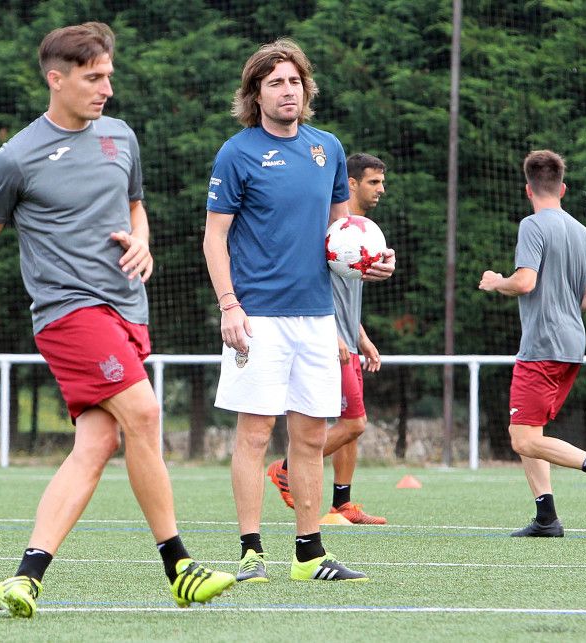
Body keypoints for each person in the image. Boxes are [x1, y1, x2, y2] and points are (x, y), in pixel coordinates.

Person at [0, 22, 234, 617]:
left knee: (98, 443)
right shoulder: (14, 158)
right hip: (69, 313)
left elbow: (135, 206)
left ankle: (26, 576)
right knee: (146, 412)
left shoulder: (120, 137)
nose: (106, 87)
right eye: (93, 77)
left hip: (128, 308)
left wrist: (142, 240)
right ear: (57, 80)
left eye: (108, 75)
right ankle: (178, 564)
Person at [203, 38, 395, 583]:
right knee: (256, 434)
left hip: (316, 318)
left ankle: (309, 554)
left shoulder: (328, 148)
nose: (287, 91)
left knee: (311, 436)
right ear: (255, 95)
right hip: (257, 316)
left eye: (294, 81)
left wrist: (371, 264)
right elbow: (214, 239)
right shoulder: (236, 153)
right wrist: (229, 306)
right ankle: (249, 554)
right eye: (275, 83)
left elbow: (345, 236)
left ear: (306, 88)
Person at [477, 149, 586, 537]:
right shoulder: (583, 232)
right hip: (571, 345)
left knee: (522, 437)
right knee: (530, 431)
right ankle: (546, 517)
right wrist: (564, 305)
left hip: (542, 346)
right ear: (562, 188)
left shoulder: (532, 225)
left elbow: (525, 282)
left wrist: (497, 282)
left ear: (528, 190)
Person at [268, 152, 389, 525]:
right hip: (327, 340)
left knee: (351, 426)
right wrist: (335, 335)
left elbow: (345, 295)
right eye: (374, 182)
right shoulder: (328, 229)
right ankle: (285, 469)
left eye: (382, 182)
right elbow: (314, 286)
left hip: (347, 341)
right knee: (354, 423)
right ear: (350, 184)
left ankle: (343, 505)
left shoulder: (359, 230)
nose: (381, 190)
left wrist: (360, 336)